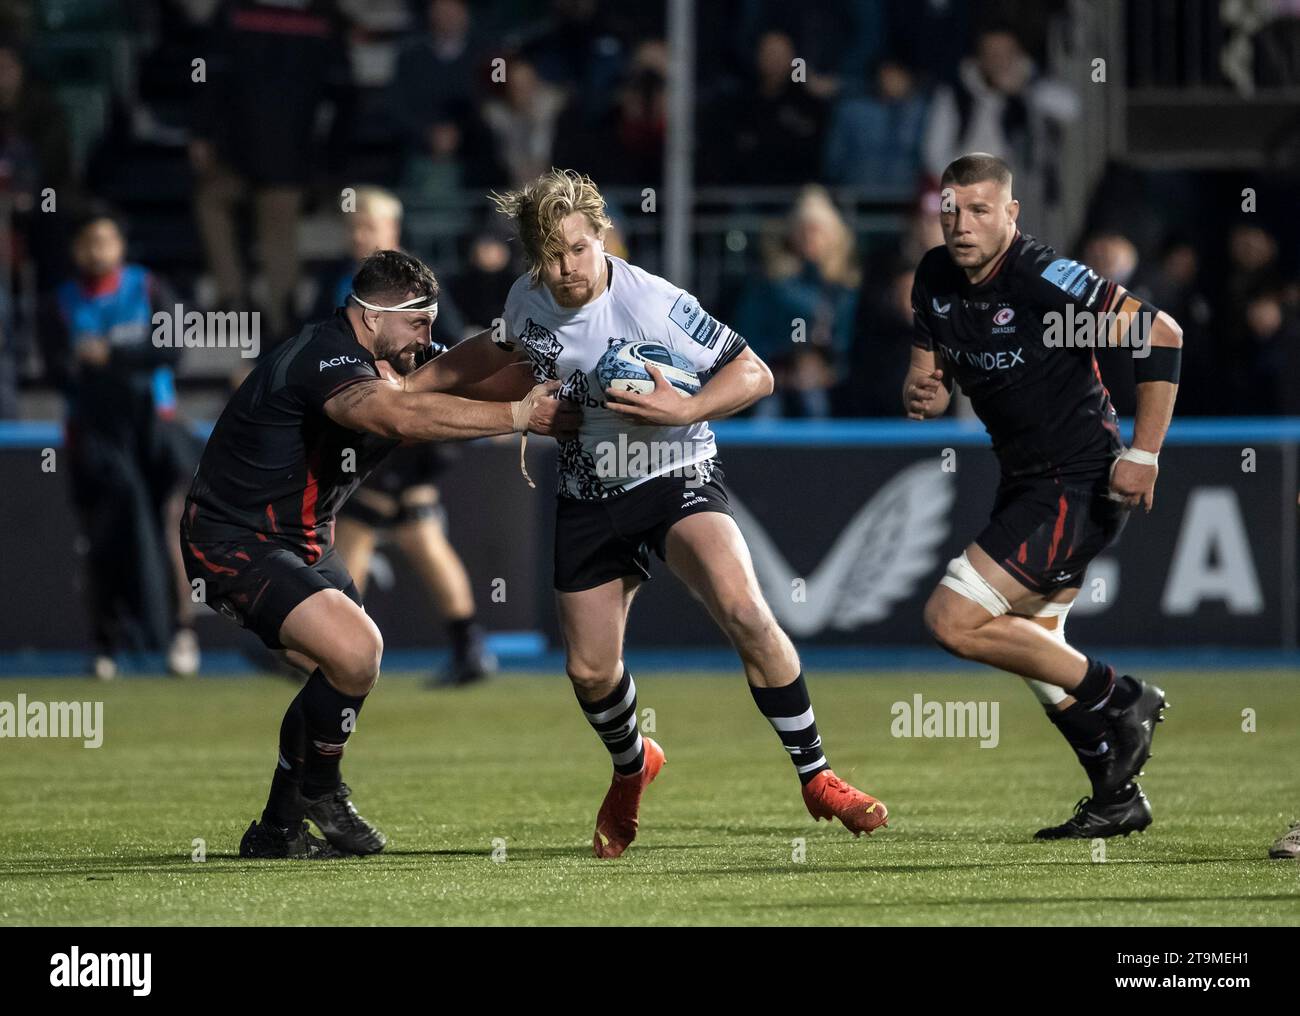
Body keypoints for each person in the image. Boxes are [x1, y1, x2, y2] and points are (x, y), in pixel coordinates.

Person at [410, 169, 889, 858]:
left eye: (579, 248)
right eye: (551, 254)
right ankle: (635, 764)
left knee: (745, 608)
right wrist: (411, 386)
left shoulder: (654, 303)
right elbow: (502, 352)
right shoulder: (526, 299)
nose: (567, 267)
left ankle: (818, 777)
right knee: (590, 672)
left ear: (600, 236)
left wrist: (687, 407)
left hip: (674, 473)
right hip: (587, 492)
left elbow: (755, 370)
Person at [180, 249, 576, 858]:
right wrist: (517, 416)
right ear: (370, 317)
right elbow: (393, 414)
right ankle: (320, 788)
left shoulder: (391, 357)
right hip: (233, 539)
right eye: (417, 322)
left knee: (342, 668)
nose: (427, 336)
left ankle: (277, 831)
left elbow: (478, 370)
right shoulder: (327, 357)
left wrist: (568, 361)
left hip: (303, 541)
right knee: (356, 651)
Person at [904, 153, 1183, 839]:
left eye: (977, 210)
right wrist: (924, 386)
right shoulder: (935, 275)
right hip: (1026, 480)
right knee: (1036, 646)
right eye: (950, 210)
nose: (961, 224)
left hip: (1080, 479)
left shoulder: (1040, 276)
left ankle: (1123, 697)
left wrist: (1144, 454)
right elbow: (926, 367)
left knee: (951, 619)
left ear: (1011, 214)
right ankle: (1116, 797)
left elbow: (1161, 332)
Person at [327, 187, 495, 686]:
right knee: (418, 532)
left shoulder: (407, 284)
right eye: (354, 227)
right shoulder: (348, 282)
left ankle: (328, 650)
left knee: (356, 523)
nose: (359, 235)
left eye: (369, 226)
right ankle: (470, 647)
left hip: (401, 428)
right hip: (388, 426)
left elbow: (459, 348)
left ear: (392, 232)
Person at [42, 210, 200, 679]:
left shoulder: (149, 288)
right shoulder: (57, 304)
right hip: (95, 435)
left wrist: (110, 356)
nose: (98, 251)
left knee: (172, 527)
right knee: (104, 533)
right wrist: (87, 369)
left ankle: (181, 633)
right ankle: (106, 643)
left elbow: (172, 350)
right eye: (88, 242)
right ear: (75, 249)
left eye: (106, 240)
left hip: (155, 426)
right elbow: (57, 373)